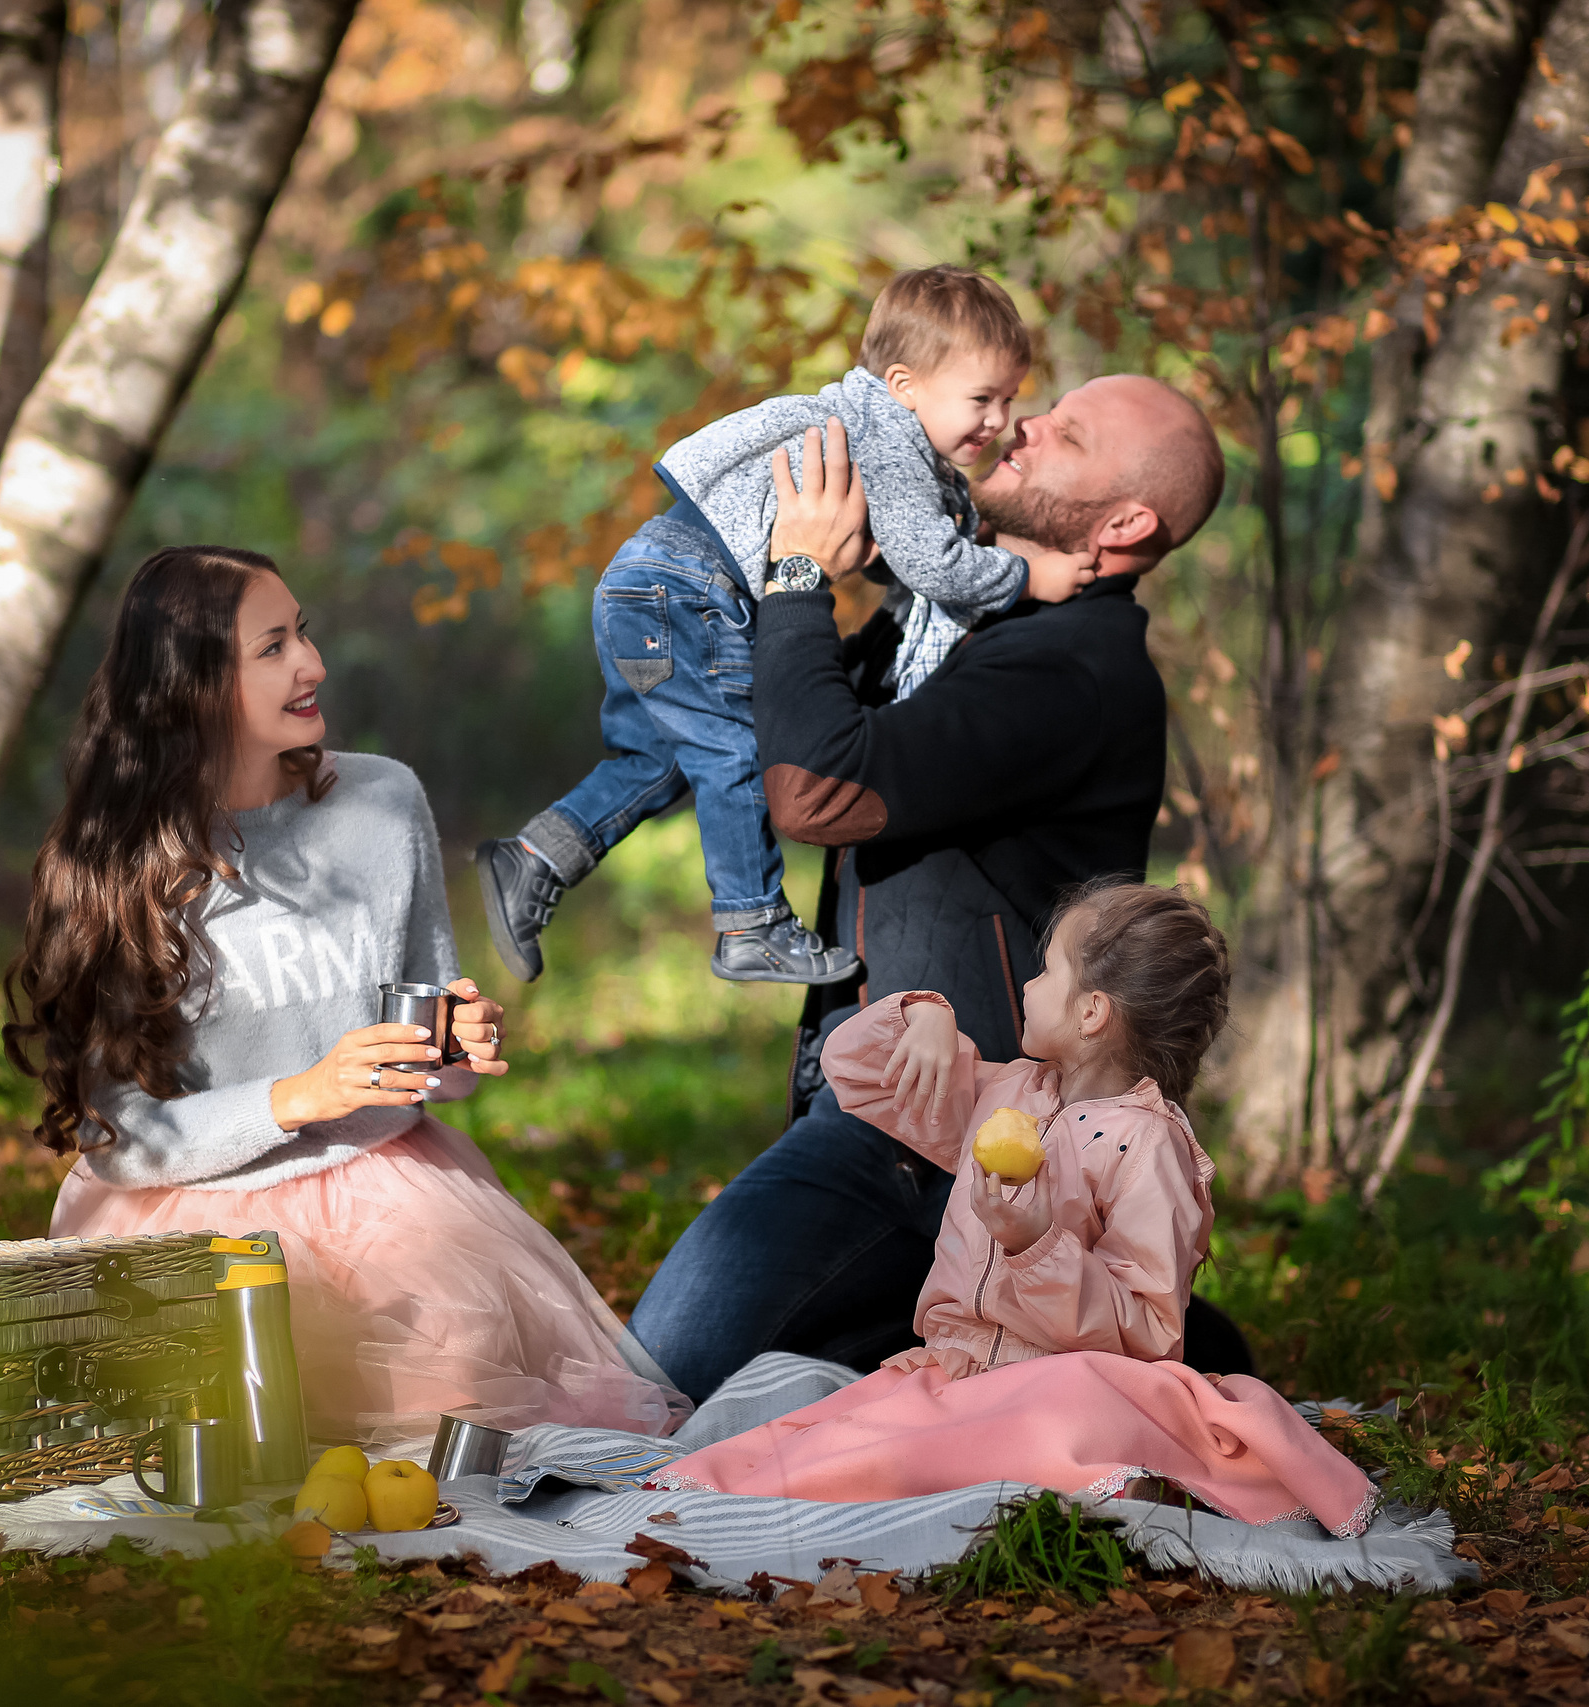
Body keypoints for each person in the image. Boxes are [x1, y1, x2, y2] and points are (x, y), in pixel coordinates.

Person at [629, 379, 1251, 1403]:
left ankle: (1150, 1350)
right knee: (777, 1374)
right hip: (883, 1090)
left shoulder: (1072, 671)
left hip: (955, 1134)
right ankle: (1096, 1338)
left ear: (1126, 522)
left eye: (1069, 435)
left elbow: (821, 788)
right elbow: (795, 715)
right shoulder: (972, 630)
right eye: (1044, 407)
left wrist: (798, 575)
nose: (1027, 425)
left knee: (660, 1381)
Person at [8, 544, 686, 1450]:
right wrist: (302, 1096)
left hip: (394, 1199)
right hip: (194, 1222)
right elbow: (117, 1134)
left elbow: (430, 1066)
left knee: (470, 1401)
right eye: (274, 646)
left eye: (305, 633)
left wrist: (452, 1045)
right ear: (193, 685)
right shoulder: (117, 861)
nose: (313, 664)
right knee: (257, 1422)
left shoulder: (381, 802)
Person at [647, 881, 1378, 1538]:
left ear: (1093, 1011)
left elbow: (1152, 1333)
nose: (1026, 986)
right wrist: (920, 1017)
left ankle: (1084, 1468)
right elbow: (855, 1075)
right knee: (829, 1442)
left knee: (1055, 1409)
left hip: (1064, 1381)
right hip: (958, 1372)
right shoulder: (1006, 1092)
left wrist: (1037, 1243)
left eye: (1044, 970)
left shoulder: (1149, 1147)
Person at [475, 266, 1097, 988]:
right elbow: (930, 564)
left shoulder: (869, 426)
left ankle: (533, 859)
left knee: (662, 761)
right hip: (689, 592)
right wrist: (1030, 576)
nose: (998, 420)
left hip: (644, 584)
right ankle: (751, 924)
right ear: (904, 386)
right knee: (734, 751)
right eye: (981, 399)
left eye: (1009, 397)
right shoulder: (890, 439)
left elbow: (886, 555)